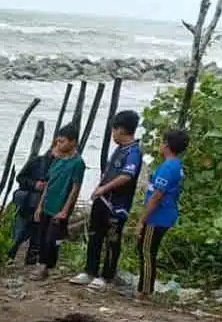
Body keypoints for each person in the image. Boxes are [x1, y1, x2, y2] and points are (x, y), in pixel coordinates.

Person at [70, 110, 143, 291]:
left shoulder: (134, 152)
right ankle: (90, 271)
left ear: (121, 130)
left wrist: (104, 188)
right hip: (102, 201)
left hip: (117, 206)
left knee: (112, 240)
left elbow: (127, 176)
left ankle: (106, 276)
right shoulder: (119, 149)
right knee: (95, 237)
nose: (112, 134)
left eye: (113, 130)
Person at [136, 129, 188, 299]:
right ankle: (145, 288)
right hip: (166, 214)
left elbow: (157, 196)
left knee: (146, 252)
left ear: (166, 145)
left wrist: (141, 220)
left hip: (158, 216)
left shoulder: (167, 168)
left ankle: (144, 290)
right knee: (148, 250)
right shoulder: (176, 165)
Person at [30, 124, 85, 280]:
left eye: (62, 142)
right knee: (42, 236)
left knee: (51, 239)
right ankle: (42, 265)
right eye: (57, 142)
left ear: (73, 142)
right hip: (48, 204)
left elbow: (75, 188)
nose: (58, 145)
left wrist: (65, 211)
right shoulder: (57, 160)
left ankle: (44, 267)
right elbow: (49, 184)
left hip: (60, 206)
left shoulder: (77, 163)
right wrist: (40, 205)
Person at [8, 144, 53, 265]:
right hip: (27, 202)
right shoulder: (36, 161)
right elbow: (20, 178)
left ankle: (31, 260)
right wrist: (34, 184)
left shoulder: (59, 166)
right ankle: (9, 256)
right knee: (19, 231)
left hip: (45, 204)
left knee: (38, 234)